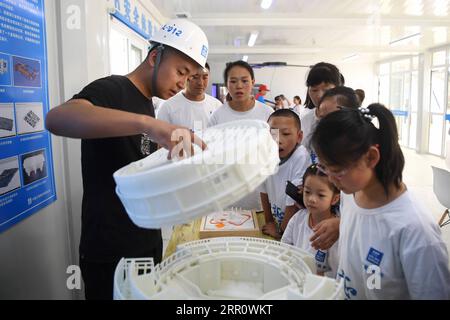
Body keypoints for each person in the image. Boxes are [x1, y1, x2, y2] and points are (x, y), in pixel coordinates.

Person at [45, 19, 209, 300]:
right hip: (110, 251)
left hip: (143, 242)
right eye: (181, 72)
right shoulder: (112, 89)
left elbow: (131, 160)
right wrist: (148, 125)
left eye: (190, 76)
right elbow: (57, 119)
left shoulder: (147, 102)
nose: (183, 84)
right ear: (155, 57)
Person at [311, 103, 450, 299]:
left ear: (371, 157)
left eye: (336, 170)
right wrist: (341, 224)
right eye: (324, 168)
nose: (331, 180)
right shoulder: (350, 193)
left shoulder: (416, 231)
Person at [208, 60, 273, 210]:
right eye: (233, 81)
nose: (239, 86)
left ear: (253, 82)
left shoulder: (268, 113)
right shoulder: (217, 116)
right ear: (226, 84)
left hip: (260, 195)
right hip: (227, 196)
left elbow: (275, 151)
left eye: (244, 81)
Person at [281, 164, 340, 278]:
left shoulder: (335, 232)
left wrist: (314, 277)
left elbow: (337, 271)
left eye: (320, 195)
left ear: (335, 198)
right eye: (307, 192)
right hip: (295, 278)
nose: (312, 199)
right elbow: (284, 248)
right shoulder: (297, 219)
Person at [260, 109, 311, 239]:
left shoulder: (300, 156)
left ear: (299, 137)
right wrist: (269, 221)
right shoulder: (265, 154)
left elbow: (292, 202)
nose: (278, 140)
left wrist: (280, 232)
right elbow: (263, 190)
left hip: (294, 228)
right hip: (278, 221)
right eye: (273, 134)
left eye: (286, 133)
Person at [157, 62, 222, 131]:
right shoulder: (169, 106)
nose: (200, 83)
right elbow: (159, 136)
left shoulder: (217, 105)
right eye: (195, 77)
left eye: (205, 77)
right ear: (186, 77)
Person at [300, 62, 343, 156]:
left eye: (327, 90)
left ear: (338, 89)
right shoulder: (305, 119)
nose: (319, 96)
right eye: (314, 90)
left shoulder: (347, 119)